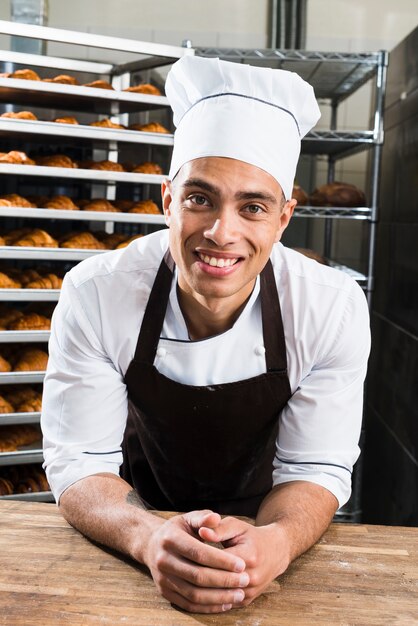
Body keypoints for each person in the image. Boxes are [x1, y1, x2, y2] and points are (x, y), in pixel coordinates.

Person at [41, 56, 370, 614]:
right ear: (168, 201)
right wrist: (145, 536)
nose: (223, 233)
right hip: (133, 517)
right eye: (200, 199)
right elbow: (80, 459)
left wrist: (278, 543)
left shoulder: (329, 308)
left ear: (285, 218)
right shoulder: (96, 292)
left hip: (269, 521)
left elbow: (315, 466)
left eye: (253, 207)